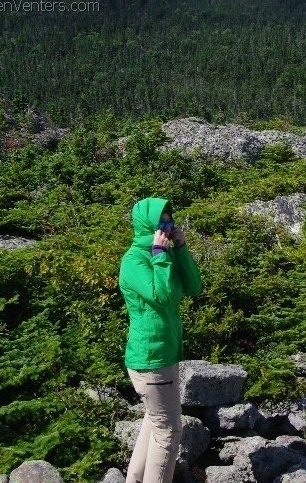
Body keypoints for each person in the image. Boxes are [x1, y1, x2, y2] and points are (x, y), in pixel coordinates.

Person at [118, 197, 202, 483]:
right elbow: (163, 296)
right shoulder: (134, 260)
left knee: (153, 423)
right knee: (168, 432)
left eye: (169, 221)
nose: (167, 227)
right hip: (151, 357)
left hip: (163, 355)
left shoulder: (165, 253)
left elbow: (194, 287)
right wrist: (159, 254)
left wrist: (181, 249)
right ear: (146, 226)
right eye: (161, 223)